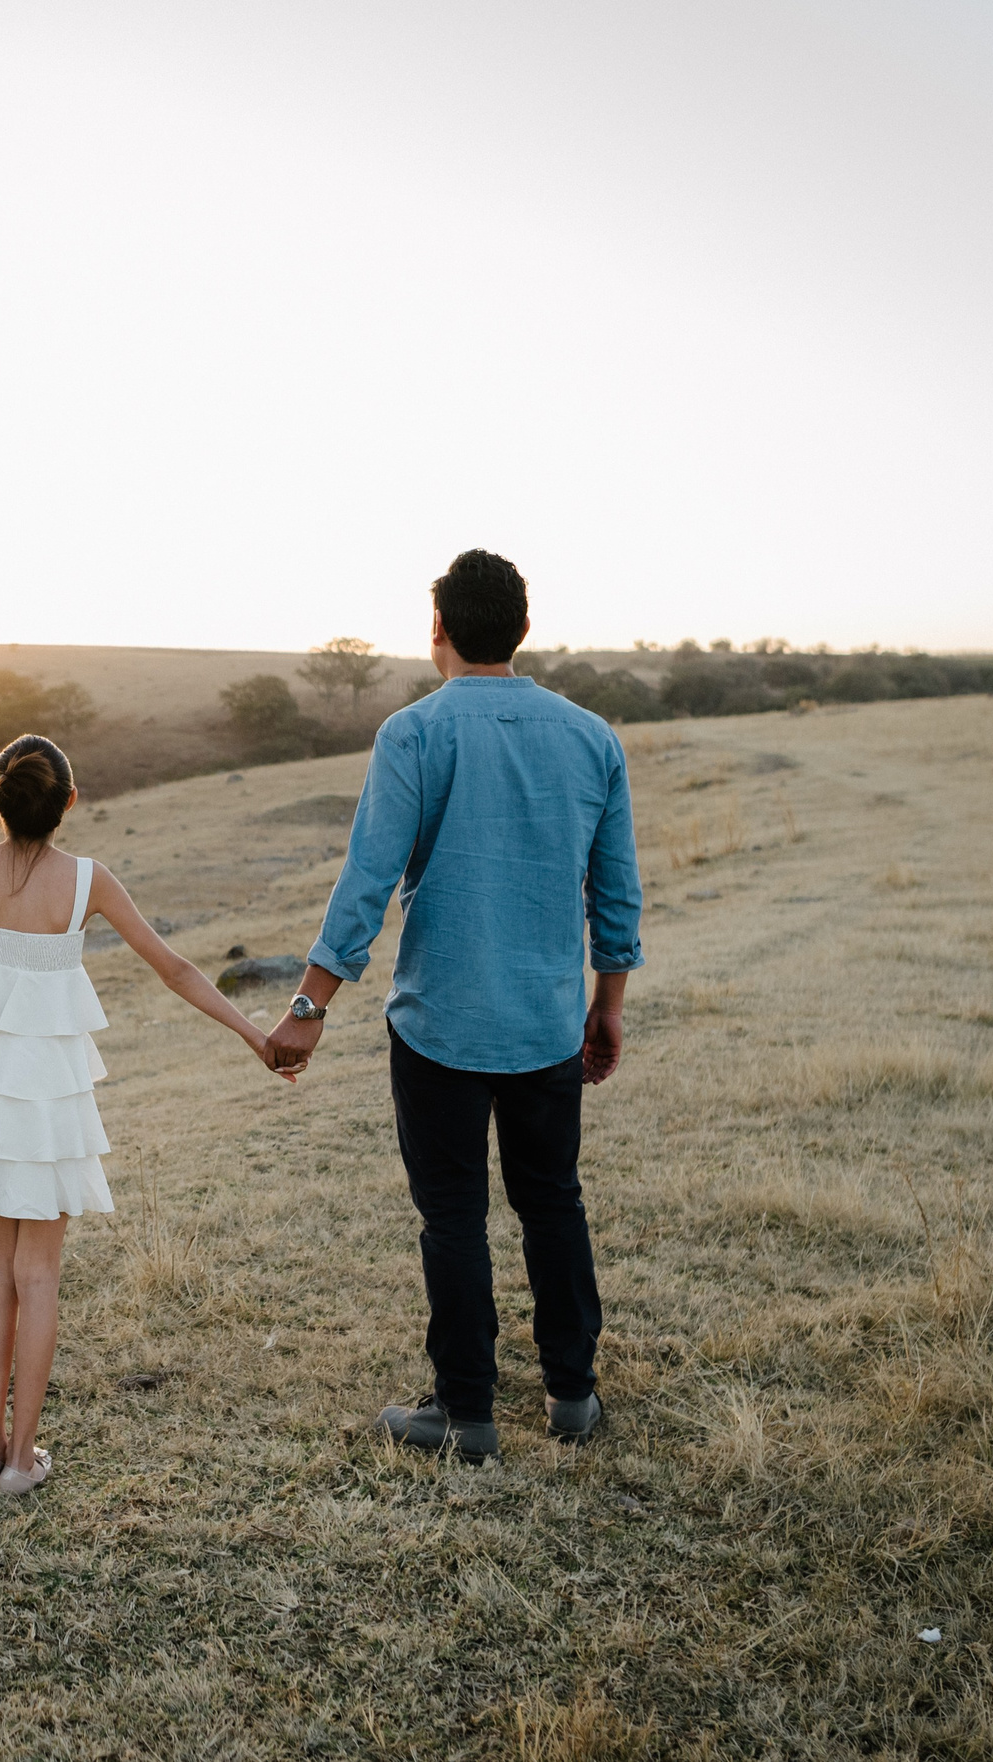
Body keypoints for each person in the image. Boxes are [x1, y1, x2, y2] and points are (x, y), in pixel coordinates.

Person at [265, 550, 642, 1463]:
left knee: (455, 1218)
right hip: (549, 1022)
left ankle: (466, 1414)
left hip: (440, 1027)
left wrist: (305, 1012)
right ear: (521, 629)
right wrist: (607, 1007)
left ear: (437, 631)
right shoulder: (592, 738)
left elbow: (365, 885)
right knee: (553, 1202)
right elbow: (617, 896)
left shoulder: (414, 735)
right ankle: (572, 1397)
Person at [0, 735, 291, 1495]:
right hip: (51, 1093)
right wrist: (255, 1036)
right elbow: (175, 968)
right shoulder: (89, 879)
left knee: (1, 1268)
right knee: (42, 1271)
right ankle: (23, 1461)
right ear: (69, 803)